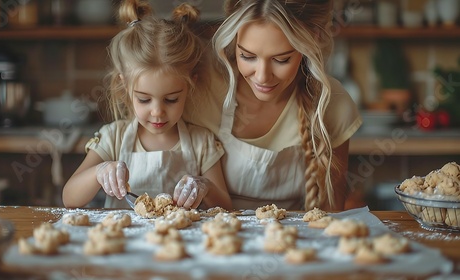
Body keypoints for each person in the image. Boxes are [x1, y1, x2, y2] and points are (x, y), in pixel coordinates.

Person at [183, 0, 362, 211]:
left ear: (310, 41)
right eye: (247, 56)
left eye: (281, 60)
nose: (262, 77)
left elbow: (331, 212)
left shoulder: (332, 103)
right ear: (234, 38)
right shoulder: (198, 89)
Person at [62, 0, 232, 210]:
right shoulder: (114, 138)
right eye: (144, 99)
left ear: (191, 85)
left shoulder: (201, 143)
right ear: (125, 85)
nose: (157, 112)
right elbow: (69, 198)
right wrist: (99, 172)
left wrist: (205, 186)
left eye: (171, 99)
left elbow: (225, 205)